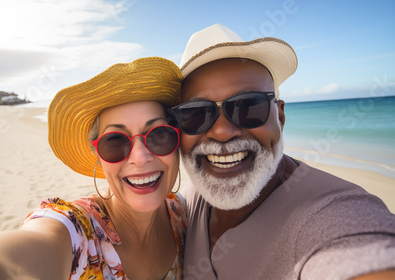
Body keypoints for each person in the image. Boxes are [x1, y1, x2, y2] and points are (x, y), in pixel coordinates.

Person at [0, 57, 186, 280]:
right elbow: (13, 259)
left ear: (177, 138)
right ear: (97, 155)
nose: (140, 156)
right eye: (115, 141)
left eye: (158, 134)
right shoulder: (75, 229)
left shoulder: (183, 216)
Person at [169, 24, 395, 279]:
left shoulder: (333, 214)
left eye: (248, 107)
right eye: (196, 114)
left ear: (280, 116)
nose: (222, 132)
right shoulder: (186, 206)